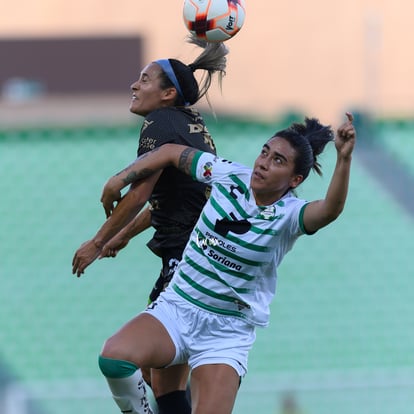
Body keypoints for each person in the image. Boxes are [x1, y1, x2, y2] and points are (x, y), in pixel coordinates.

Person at [95, 113, 356, 414]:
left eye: (278, 161)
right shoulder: (229, 175)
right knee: (114, 359)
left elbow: (330, 210)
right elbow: (168, 153)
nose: (263, 163)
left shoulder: (289, 215)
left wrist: (344, 160)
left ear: (295, 180)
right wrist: (118, 181)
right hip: (178, 307)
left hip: (226, 332)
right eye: (264, 152)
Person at [72, 35, 229, 414]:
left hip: (186, 260)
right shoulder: (193, 124)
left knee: (134, 363)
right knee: (164, 376)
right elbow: (170, 197)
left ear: (167, 94)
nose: (134, 85)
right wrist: (124, 235)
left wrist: (97, 242)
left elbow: (140, 194)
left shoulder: (159, 123)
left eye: (145, 79)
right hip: (202, 256)